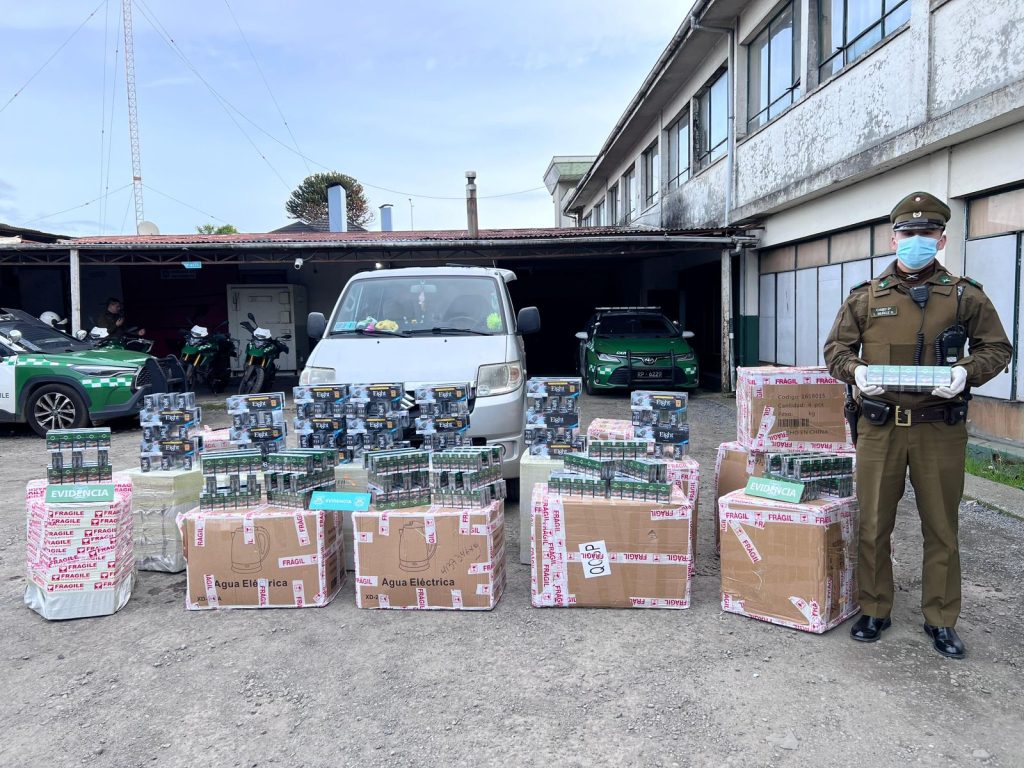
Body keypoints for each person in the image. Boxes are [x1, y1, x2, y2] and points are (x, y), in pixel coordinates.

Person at [824, 191, 1011, 659]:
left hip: (939, 428)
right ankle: (875, 608)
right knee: (873, 524)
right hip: (880, 427)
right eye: (908, 232)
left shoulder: (965, 295)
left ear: (941, 239)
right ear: (893, 239)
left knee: (942, 527)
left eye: (927, 232)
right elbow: (836, 350)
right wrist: (856, 372)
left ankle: (941, 618)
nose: (916, 239)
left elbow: (997, 348)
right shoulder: (866, 296)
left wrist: (966, 372)